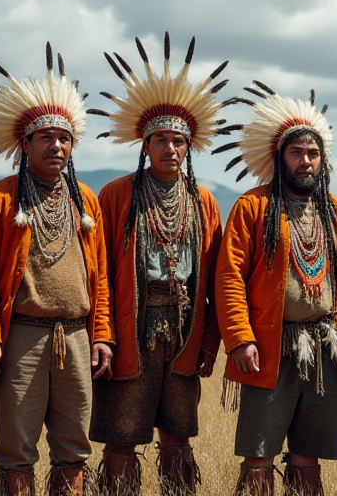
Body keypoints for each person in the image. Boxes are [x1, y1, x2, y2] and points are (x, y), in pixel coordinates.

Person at [85, 33, 227, 496]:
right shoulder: (116, 195)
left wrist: (208, 340)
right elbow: (100, 274)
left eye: (179, 140)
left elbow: (214, 281)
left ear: (190, 147)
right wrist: (103, 334)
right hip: (132, 325)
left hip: (184, 326)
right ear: (144, 145)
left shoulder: (204, 201)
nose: (170, 148)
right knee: (121, 434)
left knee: (178, 432)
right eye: (161, 140)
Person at [214, 84, 337, 496]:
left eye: (312, 154)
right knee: (259, 453)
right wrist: (241, 339)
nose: (305, 161)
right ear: (280, 157)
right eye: (296, 152)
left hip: (324, 343)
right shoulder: (253, 206)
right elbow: (229, 279)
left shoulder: (336, 210)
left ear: (323, 159)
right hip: (269, 343)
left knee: (308, 454)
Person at [0, 43, 112, 496]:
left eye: (64, 138)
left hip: (76, 336)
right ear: (25, 144)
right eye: (46, 138)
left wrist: (103, 336)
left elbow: (102, 279)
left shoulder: (86, 201)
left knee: (74, 445)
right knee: (15, 446)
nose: (57, 145)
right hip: (23, 336)